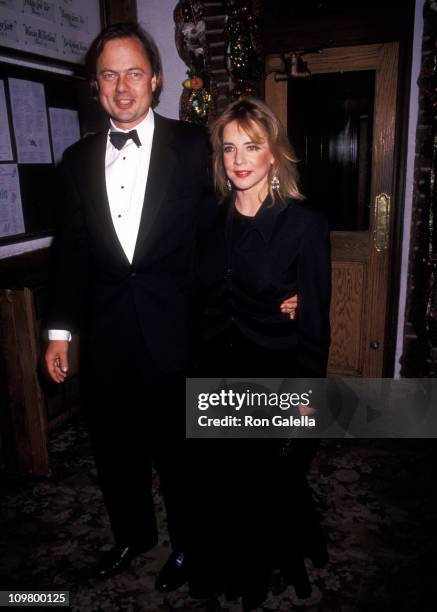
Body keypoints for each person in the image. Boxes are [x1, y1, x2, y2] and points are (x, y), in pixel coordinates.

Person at [44, 22, 217, 591]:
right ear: (95, 86)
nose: (122, 86)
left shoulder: (196, 146)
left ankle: (190, 544)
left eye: (134, 72)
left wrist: (274, 288)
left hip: (178, 334)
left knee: (179, 454)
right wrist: (60, 334)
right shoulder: (74, 161)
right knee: (116, 450)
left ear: (156, 79)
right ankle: (132, 536)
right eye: (109, 74)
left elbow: (224, 238)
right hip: (107, 340)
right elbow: (69, 258)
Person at [189, 97, 331, 610]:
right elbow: (200, 297)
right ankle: (226, 564)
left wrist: (309, 400)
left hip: (274, 370)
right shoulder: (209, 220)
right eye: (230, 148)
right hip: (215, 372)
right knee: (219, 486)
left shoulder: (304, 225)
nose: (239, 159)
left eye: (252, 146)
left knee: (259, 486)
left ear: (274, 153)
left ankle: (255, 573)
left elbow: (316, 324)